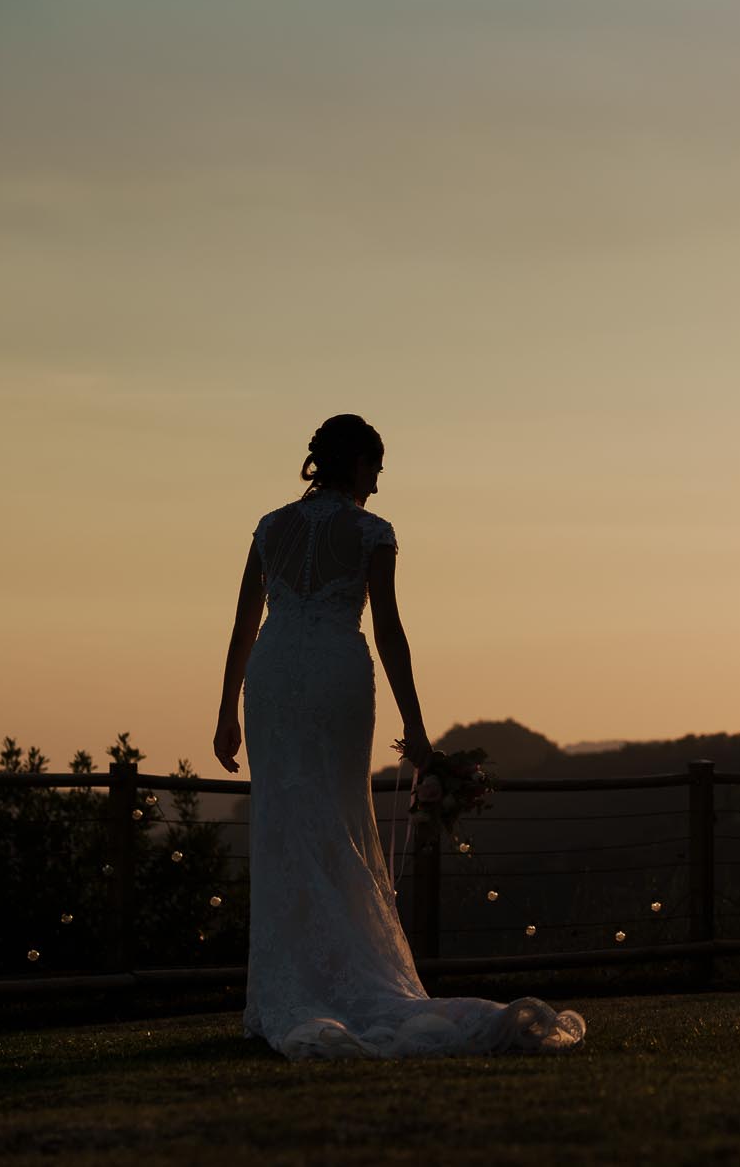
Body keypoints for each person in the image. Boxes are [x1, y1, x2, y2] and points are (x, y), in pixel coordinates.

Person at [212, 413, 585, 1059]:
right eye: (375, 469)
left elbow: (245, 623)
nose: (377, 486)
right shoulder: (370, 532)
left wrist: (224, 711)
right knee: (334, 816)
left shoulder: (270, 526)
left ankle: (290, 986)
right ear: (357, 462)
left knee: (285, 822)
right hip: (333, 676)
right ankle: (333, 979)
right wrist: (415, 723)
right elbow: (388, 631)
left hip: (270, 679)